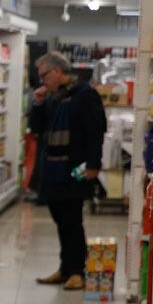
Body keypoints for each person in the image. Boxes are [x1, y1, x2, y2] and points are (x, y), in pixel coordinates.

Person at [28, 51, 106, 290]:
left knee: (72, 218)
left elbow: (96, 131)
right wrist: (38, 104)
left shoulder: (84, 95)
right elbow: (37, 128)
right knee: (60, 218)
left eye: (45, 75)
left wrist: (92, 165)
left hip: (76, 168)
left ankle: (77, 272)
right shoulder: (52, 98)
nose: (43, 81)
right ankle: (65, 268)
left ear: (59, 72)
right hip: (52, 168)